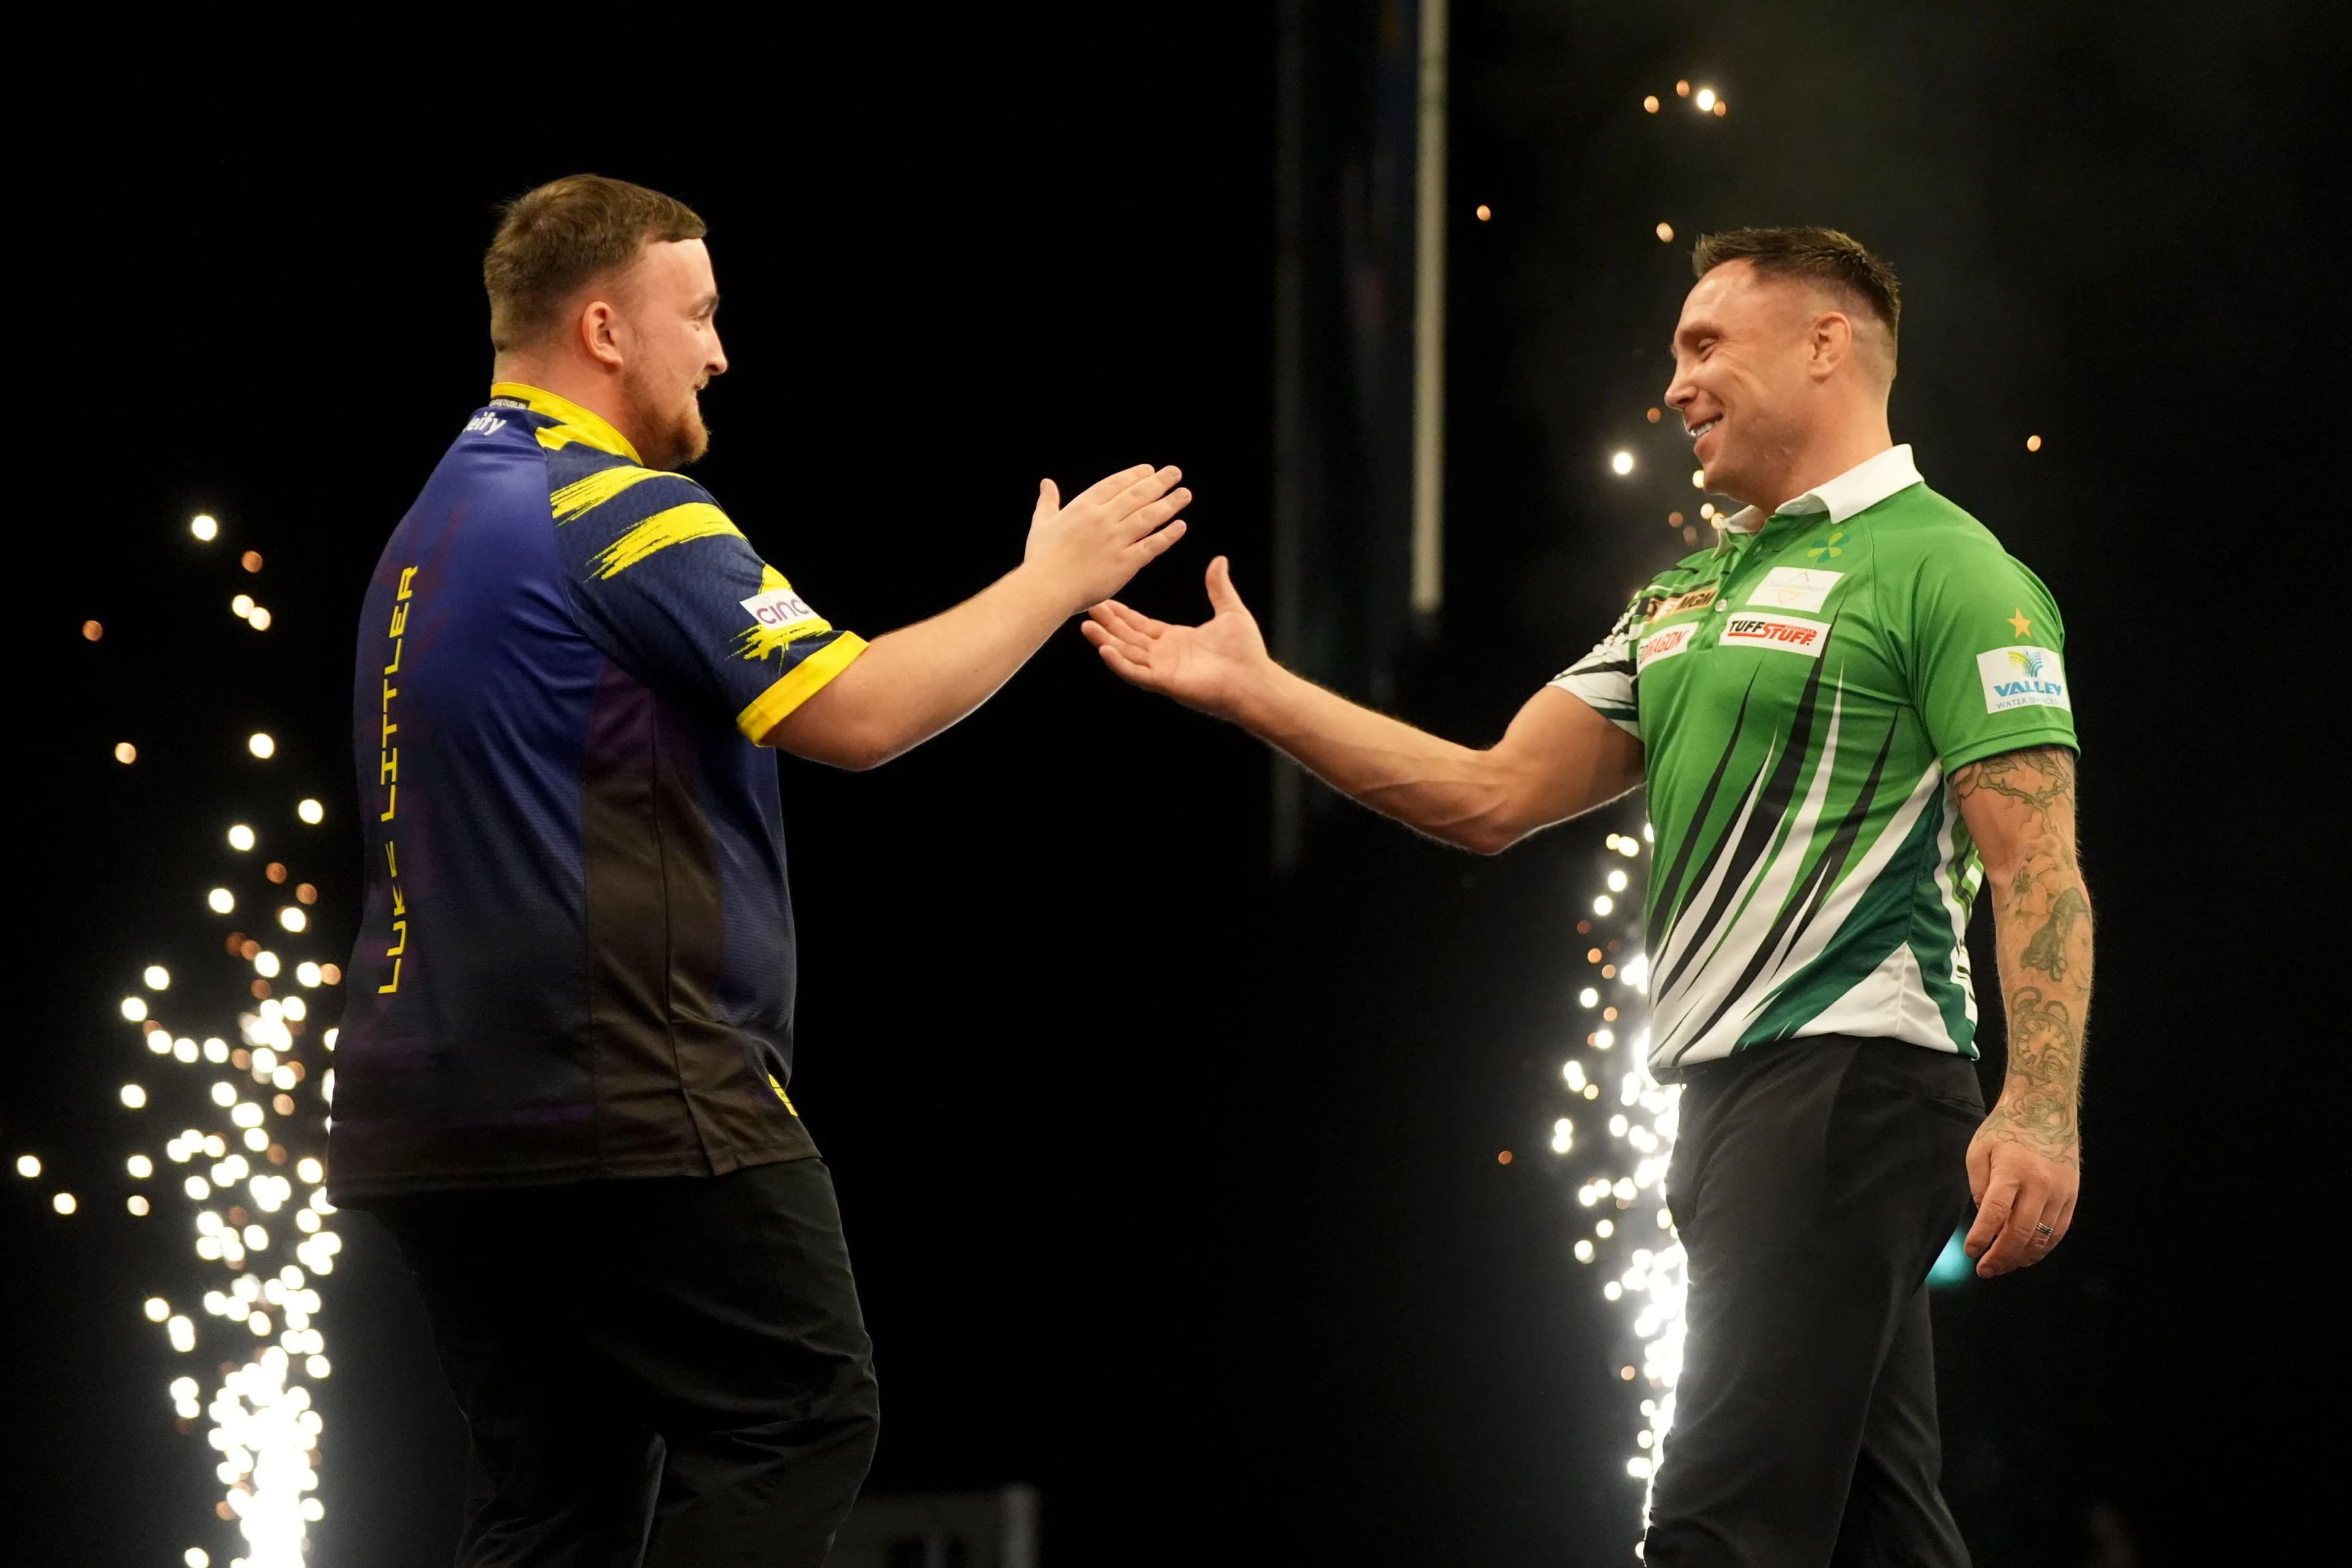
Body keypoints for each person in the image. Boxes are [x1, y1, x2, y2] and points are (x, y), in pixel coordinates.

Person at [1082, 227, 2090, 1567]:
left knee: (1713, 1528)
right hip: (1728, 1110)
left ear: (1826, 344)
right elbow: (1489, 792)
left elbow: (2038, 865)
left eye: (1706, 344)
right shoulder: (1685, 593)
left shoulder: (1950, 568)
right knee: (1878, 1530)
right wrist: (1258, 692)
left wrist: (2042, 1103)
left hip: (1848, 1083)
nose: (1674, 385)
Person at [328, 173, 1190, 1566]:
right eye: (701, 314)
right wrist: (1055, 578)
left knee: (556, 1502)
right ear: (604, 329)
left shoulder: (426, 534)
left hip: (428, 1114)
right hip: (619, 1090)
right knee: (804, 1407)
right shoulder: (619, 512)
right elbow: (858, 713)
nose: (722, 352)